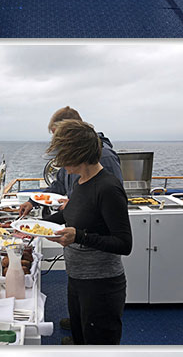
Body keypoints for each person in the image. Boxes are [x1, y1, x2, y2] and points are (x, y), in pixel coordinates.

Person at [46, 120, 132, 344]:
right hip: (78, 278)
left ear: (78, 153)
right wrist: (33, 226)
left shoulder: (108, 188)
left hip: (101, 285)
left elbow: (124, 243)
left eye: (62, 153)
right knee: (80, 335)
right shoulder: (81, 182)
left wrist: (80, 236)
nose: (59, 161)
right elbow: (69, 215)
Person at [19, 105, 123, 219]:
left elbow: (113, 203)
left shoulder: (105, 157)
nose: (56, 140)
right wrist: (33, 202)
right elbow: (59, 185)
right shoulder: (71, 157)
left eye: (59, 134)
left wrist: (75, 209)